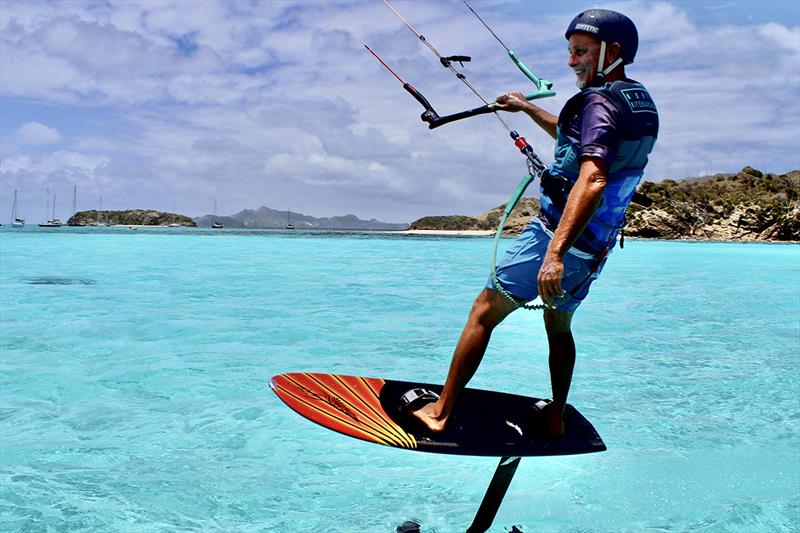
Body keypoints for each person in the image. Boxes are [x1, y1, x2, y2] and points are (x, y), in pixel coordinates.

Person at [410, 9, 659, 437]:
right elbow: (574, 139)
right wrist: (526, 109)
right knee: (559, 328)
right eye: (570, 51)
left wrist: (554, 254)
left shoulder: (598, 102)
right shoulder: (635, 99)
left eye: (581, 52)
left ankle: (440, 412)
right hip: (596, 248)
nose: (571, 61)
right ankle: (556, 415)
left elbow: (594, 176)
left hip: (557, 238)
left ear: (612, 51)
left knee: (482, 314)